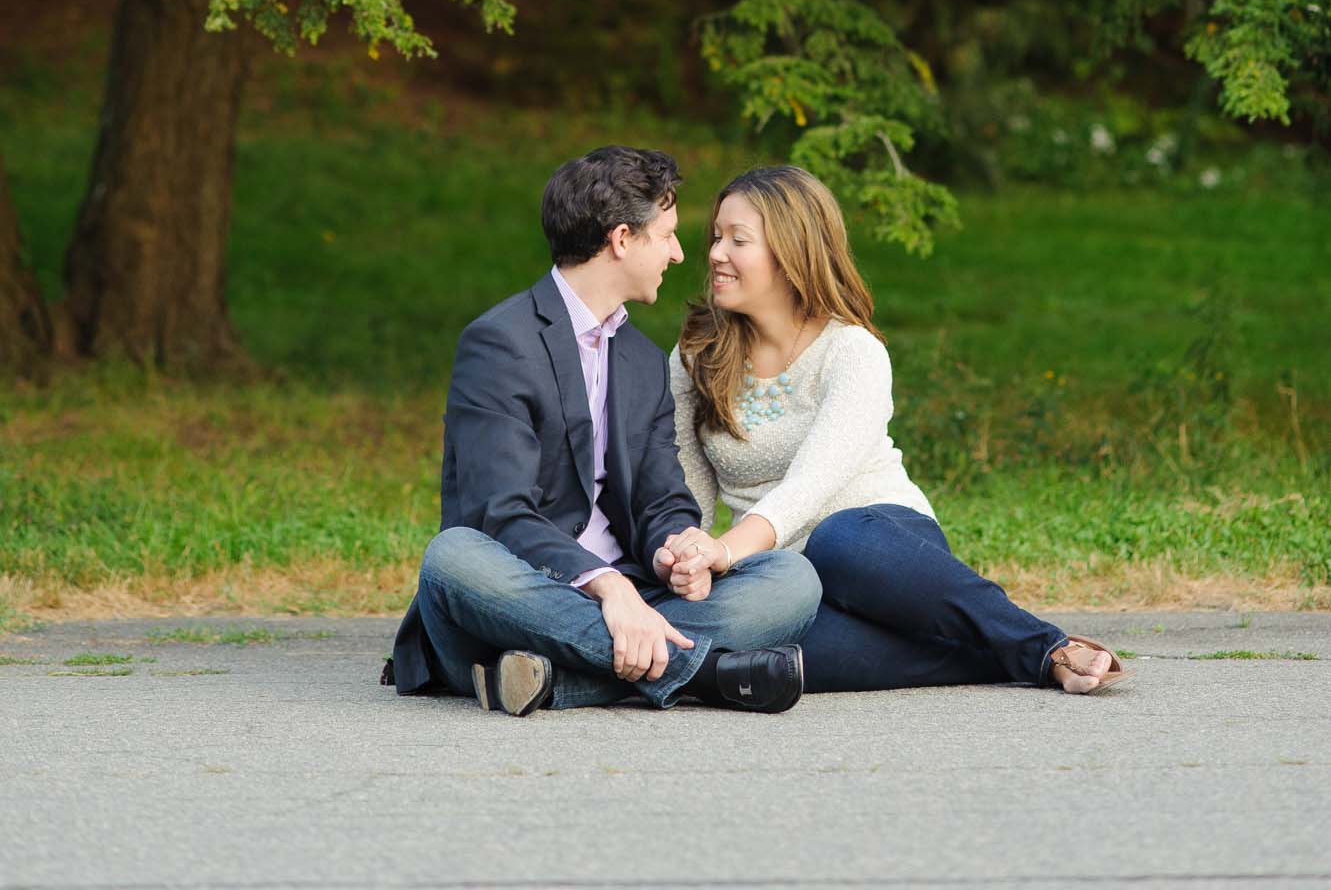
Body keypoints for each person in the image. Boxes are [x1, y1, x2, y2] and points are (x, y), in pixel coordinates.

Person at [661, 164, 1129, 697]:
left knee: (838, 539)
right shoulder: (697, 357)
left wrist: (725, 550)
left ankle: (1044, 645)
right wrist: (690, 562)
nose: (716, 252)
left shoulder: (852, 351)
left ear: (792, 256)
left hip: (881, 552)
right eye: (717, 237)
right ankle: (1003, 652)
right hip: (782, 577)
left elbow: (815, 484)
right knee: (746, 651)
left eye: (737, 240)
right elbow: (687, 491)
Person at [387, 146, 820, 716]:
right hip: (525, 594)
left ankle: (555, 681)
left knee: (792, 577)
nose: (679, 252)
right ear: (621, 239)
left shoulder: (642, 360)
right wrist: (608, 589)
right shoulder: (499, 343)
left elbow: (661, 498)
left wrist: (676, 550)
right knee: (453, 557)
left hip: (635, 594)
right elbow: (501, 514)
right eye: (665, 235)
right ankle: (703, 672)